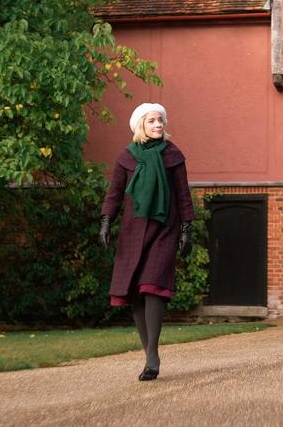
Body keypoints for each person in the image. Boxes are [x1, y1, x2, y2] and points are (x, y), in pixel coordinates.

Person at [99, 102, 195, 381]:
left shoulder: (173, 156)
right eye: (152, 121)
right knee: (135, 295)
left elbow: (183, 194)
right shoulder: (126, 157)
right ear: (141, 124)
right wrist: (106, 221)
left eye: (160, 121)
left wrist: (187, 227)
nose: (158, 125)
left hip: (165, 228)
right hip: (133, 231)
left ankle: (152, 357)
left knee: (153, 287)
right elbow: (114, 192)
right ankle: (149, 353)